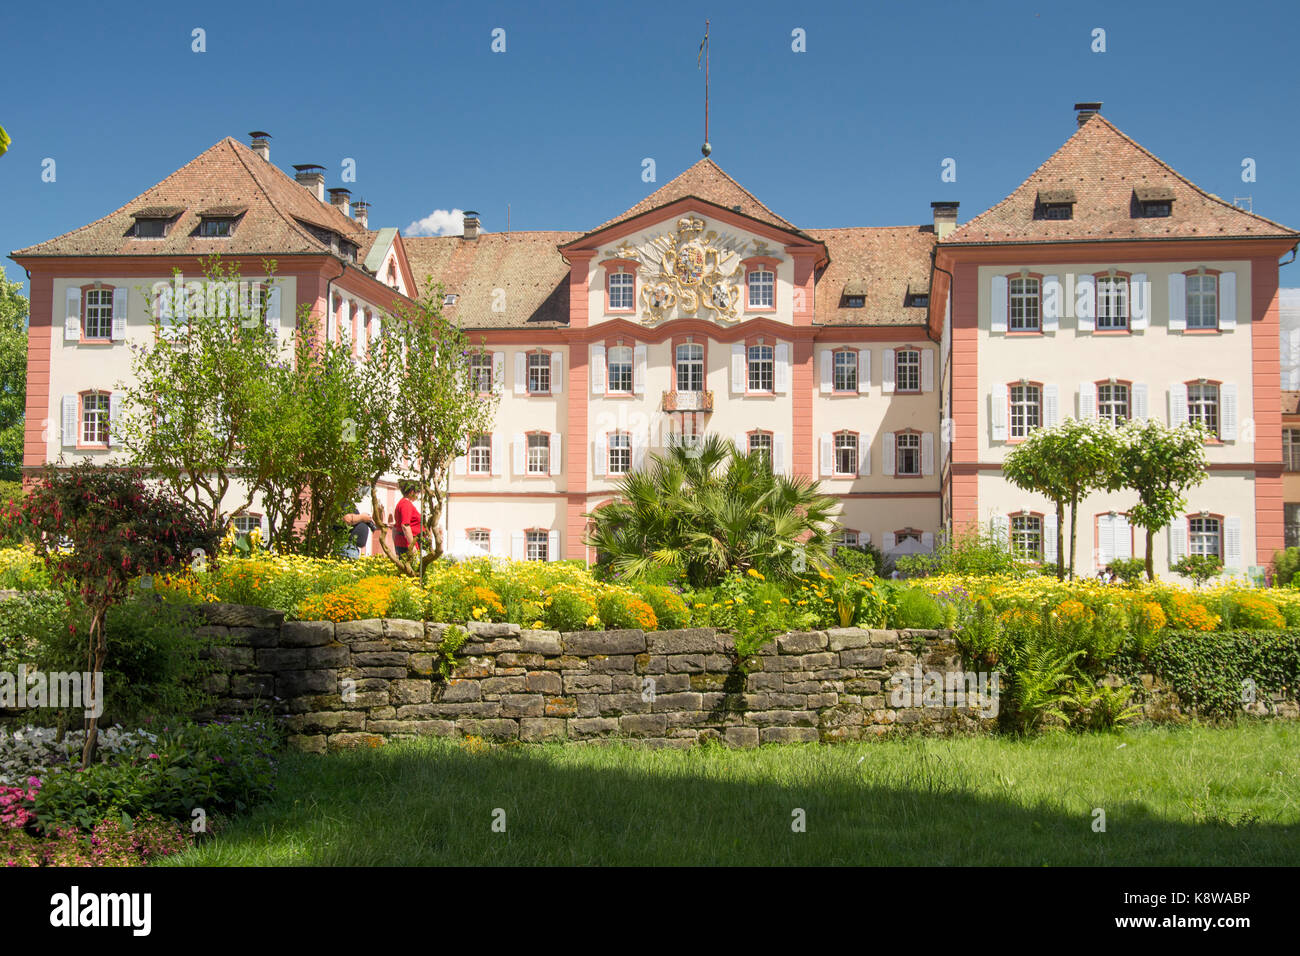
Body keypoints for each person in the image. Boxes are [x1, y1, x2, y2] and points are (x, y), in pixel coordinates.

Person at [392, 481, 422, 557]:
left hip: (402, 542)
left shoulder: (402, 503)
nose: (418, 495)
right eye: (417, 493)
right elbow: (405, 525)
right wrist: (412, 546)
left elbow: (395, 528)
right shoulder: (406, 504)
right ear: (412, 492)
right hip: (407, 544)